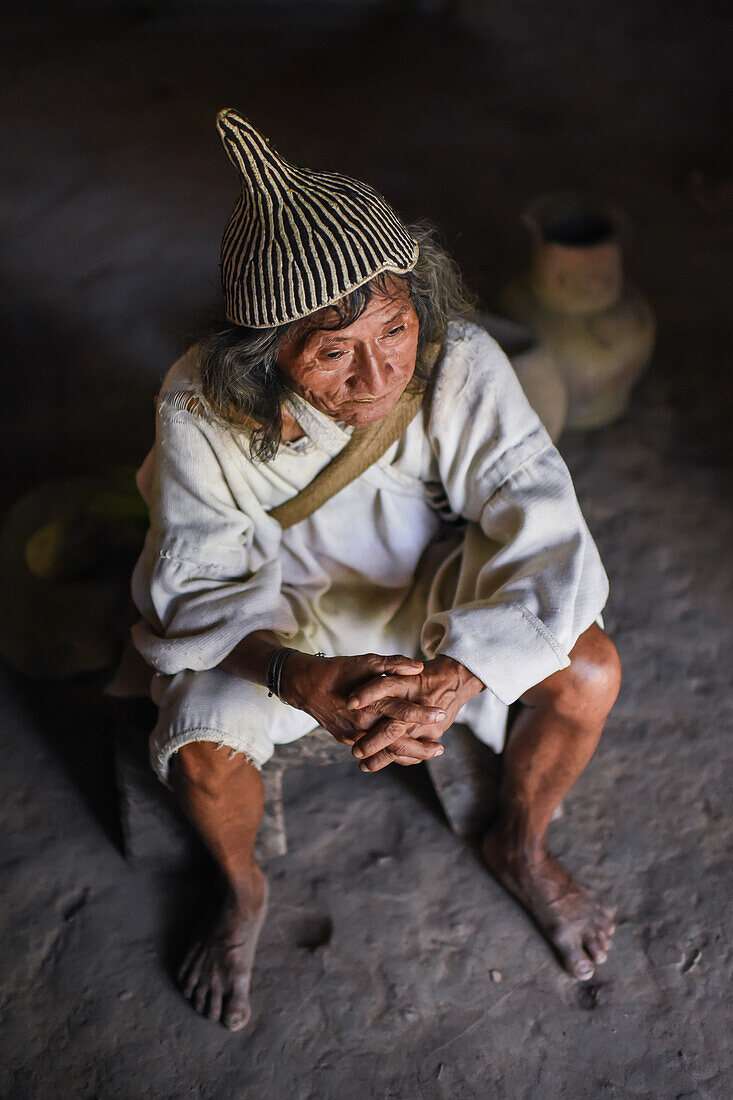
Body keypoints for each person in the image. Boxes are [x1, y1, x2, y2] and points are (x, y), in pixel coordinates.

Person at [128, 109, 621, 1032]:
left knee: (590, 670)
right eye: (329, 352)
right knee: (199, 746)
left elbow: (537, 512)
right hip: (273, 620)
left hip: (430, 599)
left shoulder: (455, 357)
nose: (376, 375)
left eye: (392, 328)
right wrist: (294, 675)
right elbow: (192, 587)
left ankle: (518, 843)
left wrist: (464, 669)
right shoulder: (200, 406)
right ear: (260, 359)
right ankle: (240, 892)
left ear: (414, 301)